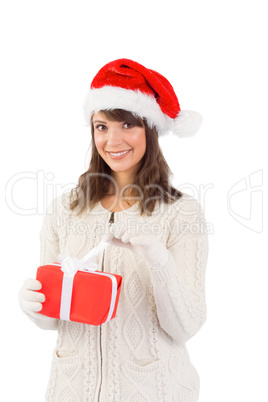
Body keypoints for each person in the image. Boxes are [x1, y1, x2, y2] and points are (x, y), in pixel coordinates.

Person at [18, 58, 208, 402]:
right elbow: (55, 318)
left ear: (149, 128)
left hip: (154, 391)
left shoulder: (181, 213)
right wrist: (33, 306)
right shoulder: (65, 209)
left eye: (127, 124)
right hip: (71, 390)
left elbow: (186, 326)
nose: (112, 139)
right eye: (101, 126)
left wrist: (160, 262)